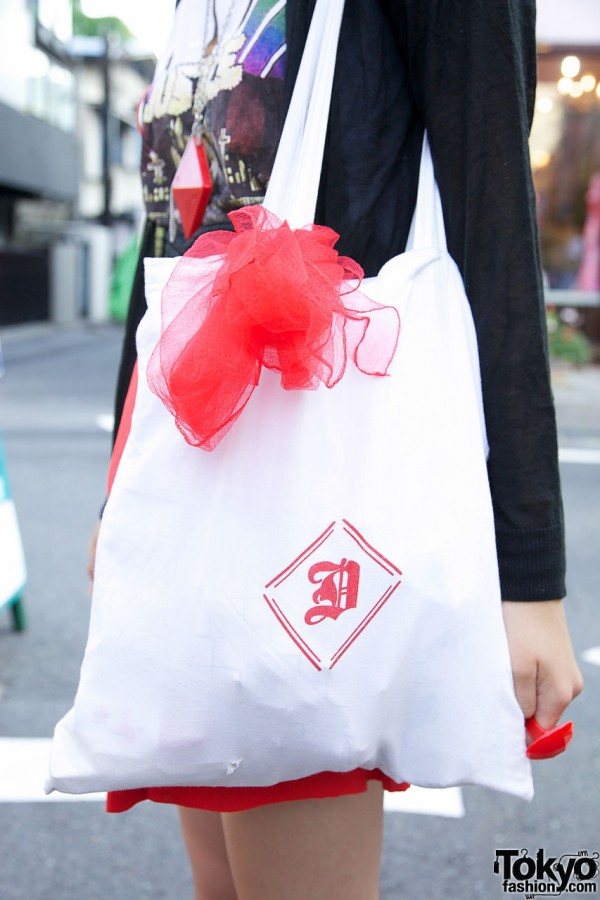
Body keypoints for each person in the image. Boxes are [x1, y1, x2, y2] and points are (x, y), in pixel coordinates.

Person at [88, 2, 583, 898]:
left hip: (315, 454)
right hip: (189, 453)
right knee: (224, 879)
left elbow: (495, 227)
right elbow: (170, 232)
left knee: (286, 811)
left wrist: (527, 575)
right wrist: (115, 490)